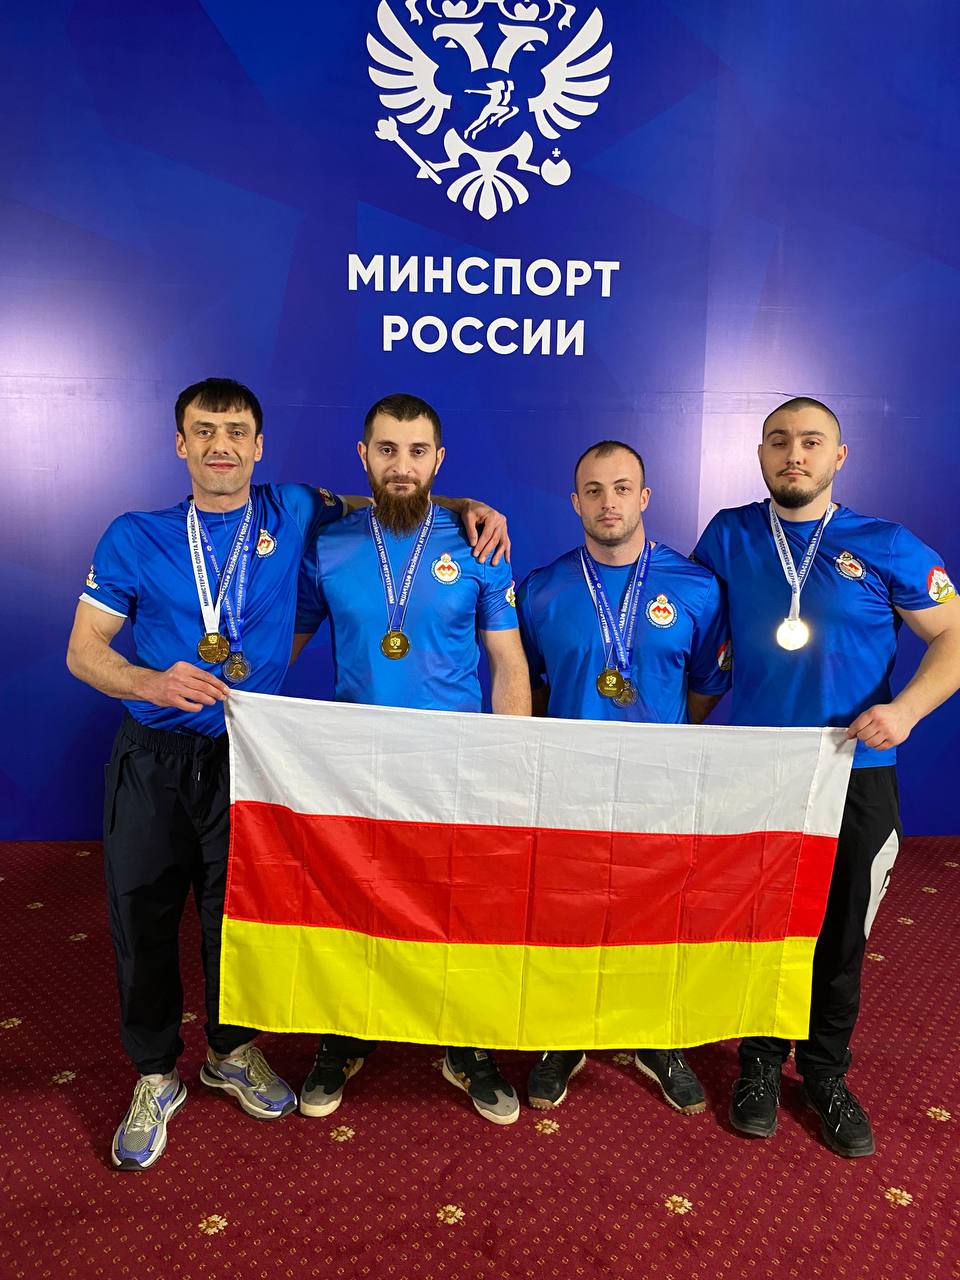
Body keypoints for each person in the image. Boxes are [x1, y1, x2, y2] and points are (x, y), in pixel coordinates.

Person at [66, 378, 509, 1170]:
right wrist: (147, 681)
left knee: (241, 916)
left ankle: (230, 1053)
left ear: (259, 445)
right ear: (180, 443)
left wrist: (469, 503)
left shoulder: (296, 510)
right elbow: (83, 651)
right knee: (142, 917)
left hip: (250, 757)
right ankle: (156, 1073)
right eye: (205, 431)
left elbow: (391, 491)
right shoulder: (134, 535)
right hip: (155, 754)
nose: (221, 445)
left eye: (236, 430)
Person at [693, 396, 960, 1158]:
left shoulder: (885, 544)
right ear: (760, 454)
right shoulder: (729, 535)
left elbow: (953, 634)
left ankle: (825, 1073)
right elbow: (698, 641)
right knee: (760, 925)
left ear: (839, 456)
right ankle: (758, 1062)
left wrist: (906, 711)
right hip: (760, 774)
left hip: (856, 770)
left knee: (841, 933)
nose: (794, 454)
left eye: (812, 442)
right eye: (779, 441)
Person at [293, 392, 532, 1126]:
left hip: (455, 762)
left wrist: (510, 759)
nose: (402, 465)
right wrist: (235, 706)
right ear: (363, 456)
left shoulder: (480, 545)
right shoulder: (328, 545)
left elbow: (509, 662)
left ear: (439, 460)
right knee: (352, 900)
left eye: (417, 451)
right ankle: (346, 1034)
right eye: (387, 450)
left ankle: (466, 1043)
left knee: (457, 904)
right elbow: (282, 651)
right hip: (357, 762)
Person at [515, 440, 731, 1115]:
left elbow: (706, 684)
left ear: (644, 497)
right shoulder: (542, 589)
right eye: (593, 490)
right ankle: (564, 1034)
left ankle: (655, 1037)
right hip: (570, 781)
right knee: (567, 908)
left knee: (658, 908)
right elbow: (532, 686)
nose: (608, 502)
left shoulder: (697, 587)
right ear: (575, 501)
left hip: (659, 782)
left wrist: (662, 741)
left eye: (621, 488)